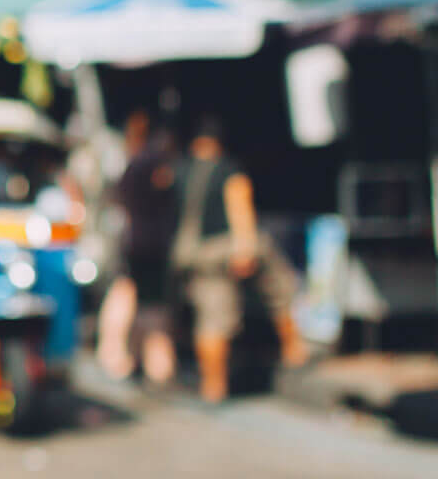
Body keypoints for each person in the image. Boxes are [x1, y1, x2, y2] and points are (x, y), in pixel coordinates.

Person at [170, 115, 308, 403]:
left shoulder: (179, 170)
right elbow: (240, 206)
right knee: (280, 289)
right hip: (224, 248)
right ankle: (293, 349)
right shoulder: (228, 170)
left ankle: (213, 386)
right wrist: (245, 247)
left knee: (211, 317)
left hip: (193, 255)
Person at [96, 110, 178, 385]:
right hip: (149, 244)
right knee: (148, 304)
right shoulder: (151, 163)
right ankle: (152, 363)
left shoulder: (131, 164)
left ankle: (127, 356)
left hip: (133, 241)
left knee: (133, 298)